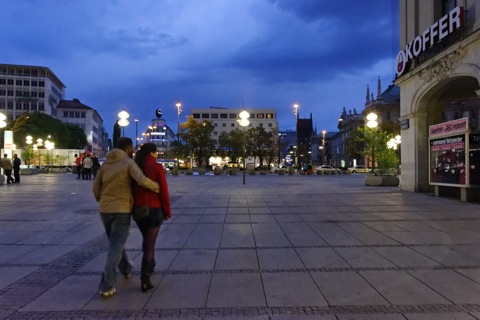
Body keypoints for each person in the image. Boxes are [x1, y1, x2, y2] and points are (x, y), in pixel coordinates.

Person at [92, 137, 160, 298]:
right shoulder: (128, 163)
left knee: (116, 242)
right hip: (121, 209)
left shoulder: (105, 166)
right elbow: (141, 180)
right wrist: (156, 186)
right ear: (129, 148)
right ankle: (106, 285)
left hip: (105, 209)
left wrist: (102, 200)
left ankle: (126, 269)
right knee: (116, 245)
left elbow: (96, 187)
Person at [133, 143, 172, 292]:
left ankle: (150, 266)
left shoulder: (136, 167)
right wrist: (167, 211)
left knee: (146, 240)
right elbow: (163, 191)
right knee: (150, 245)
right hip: (154, 210)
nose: (156, 156)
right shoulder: (156, 167)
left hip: (139, 210)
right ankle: (145, 278)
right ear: (152, 153)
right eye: (156, 153)